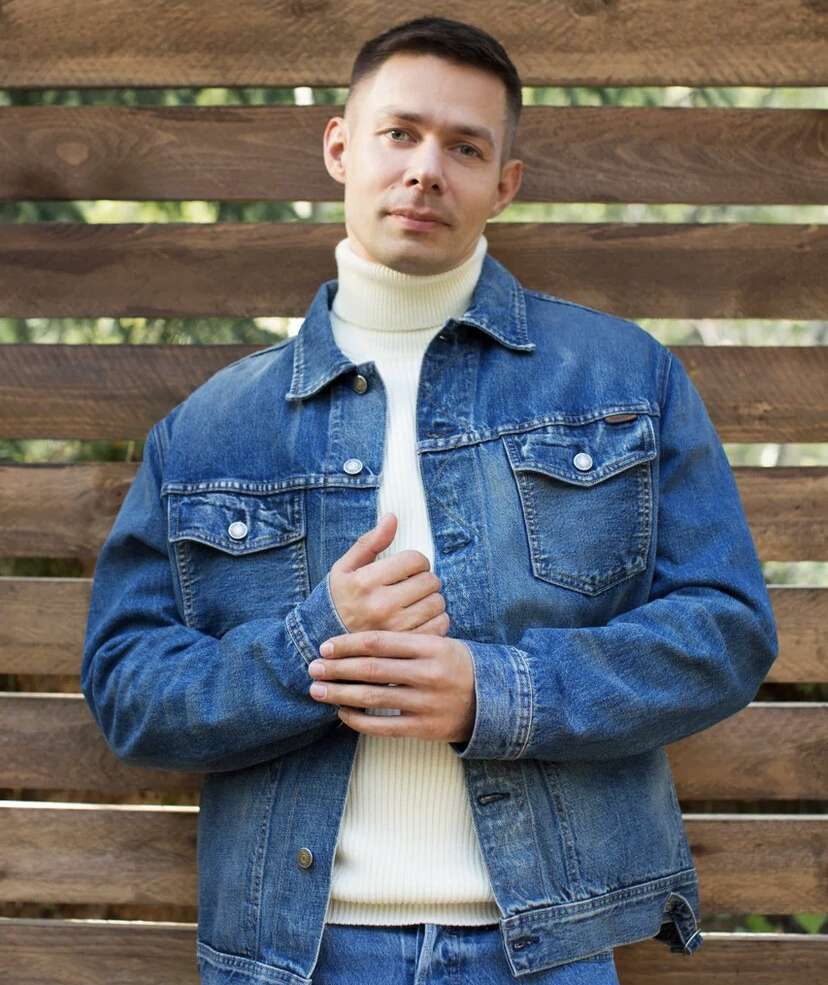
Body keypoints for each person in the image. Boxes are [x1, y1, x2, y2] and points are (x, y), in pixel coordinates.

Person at [81, 15, 778, 985]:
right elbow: (127, 686)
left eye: (464, 147)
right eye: (399, 133)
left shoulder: (623, 379)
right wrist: (313, 641)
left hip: (547, 948)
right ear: (341, 147)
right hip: (300, 953)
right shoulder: (211, 429)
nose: (425, 170)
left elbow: (725, 630)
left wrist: (495, 692)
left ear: (506, 183)